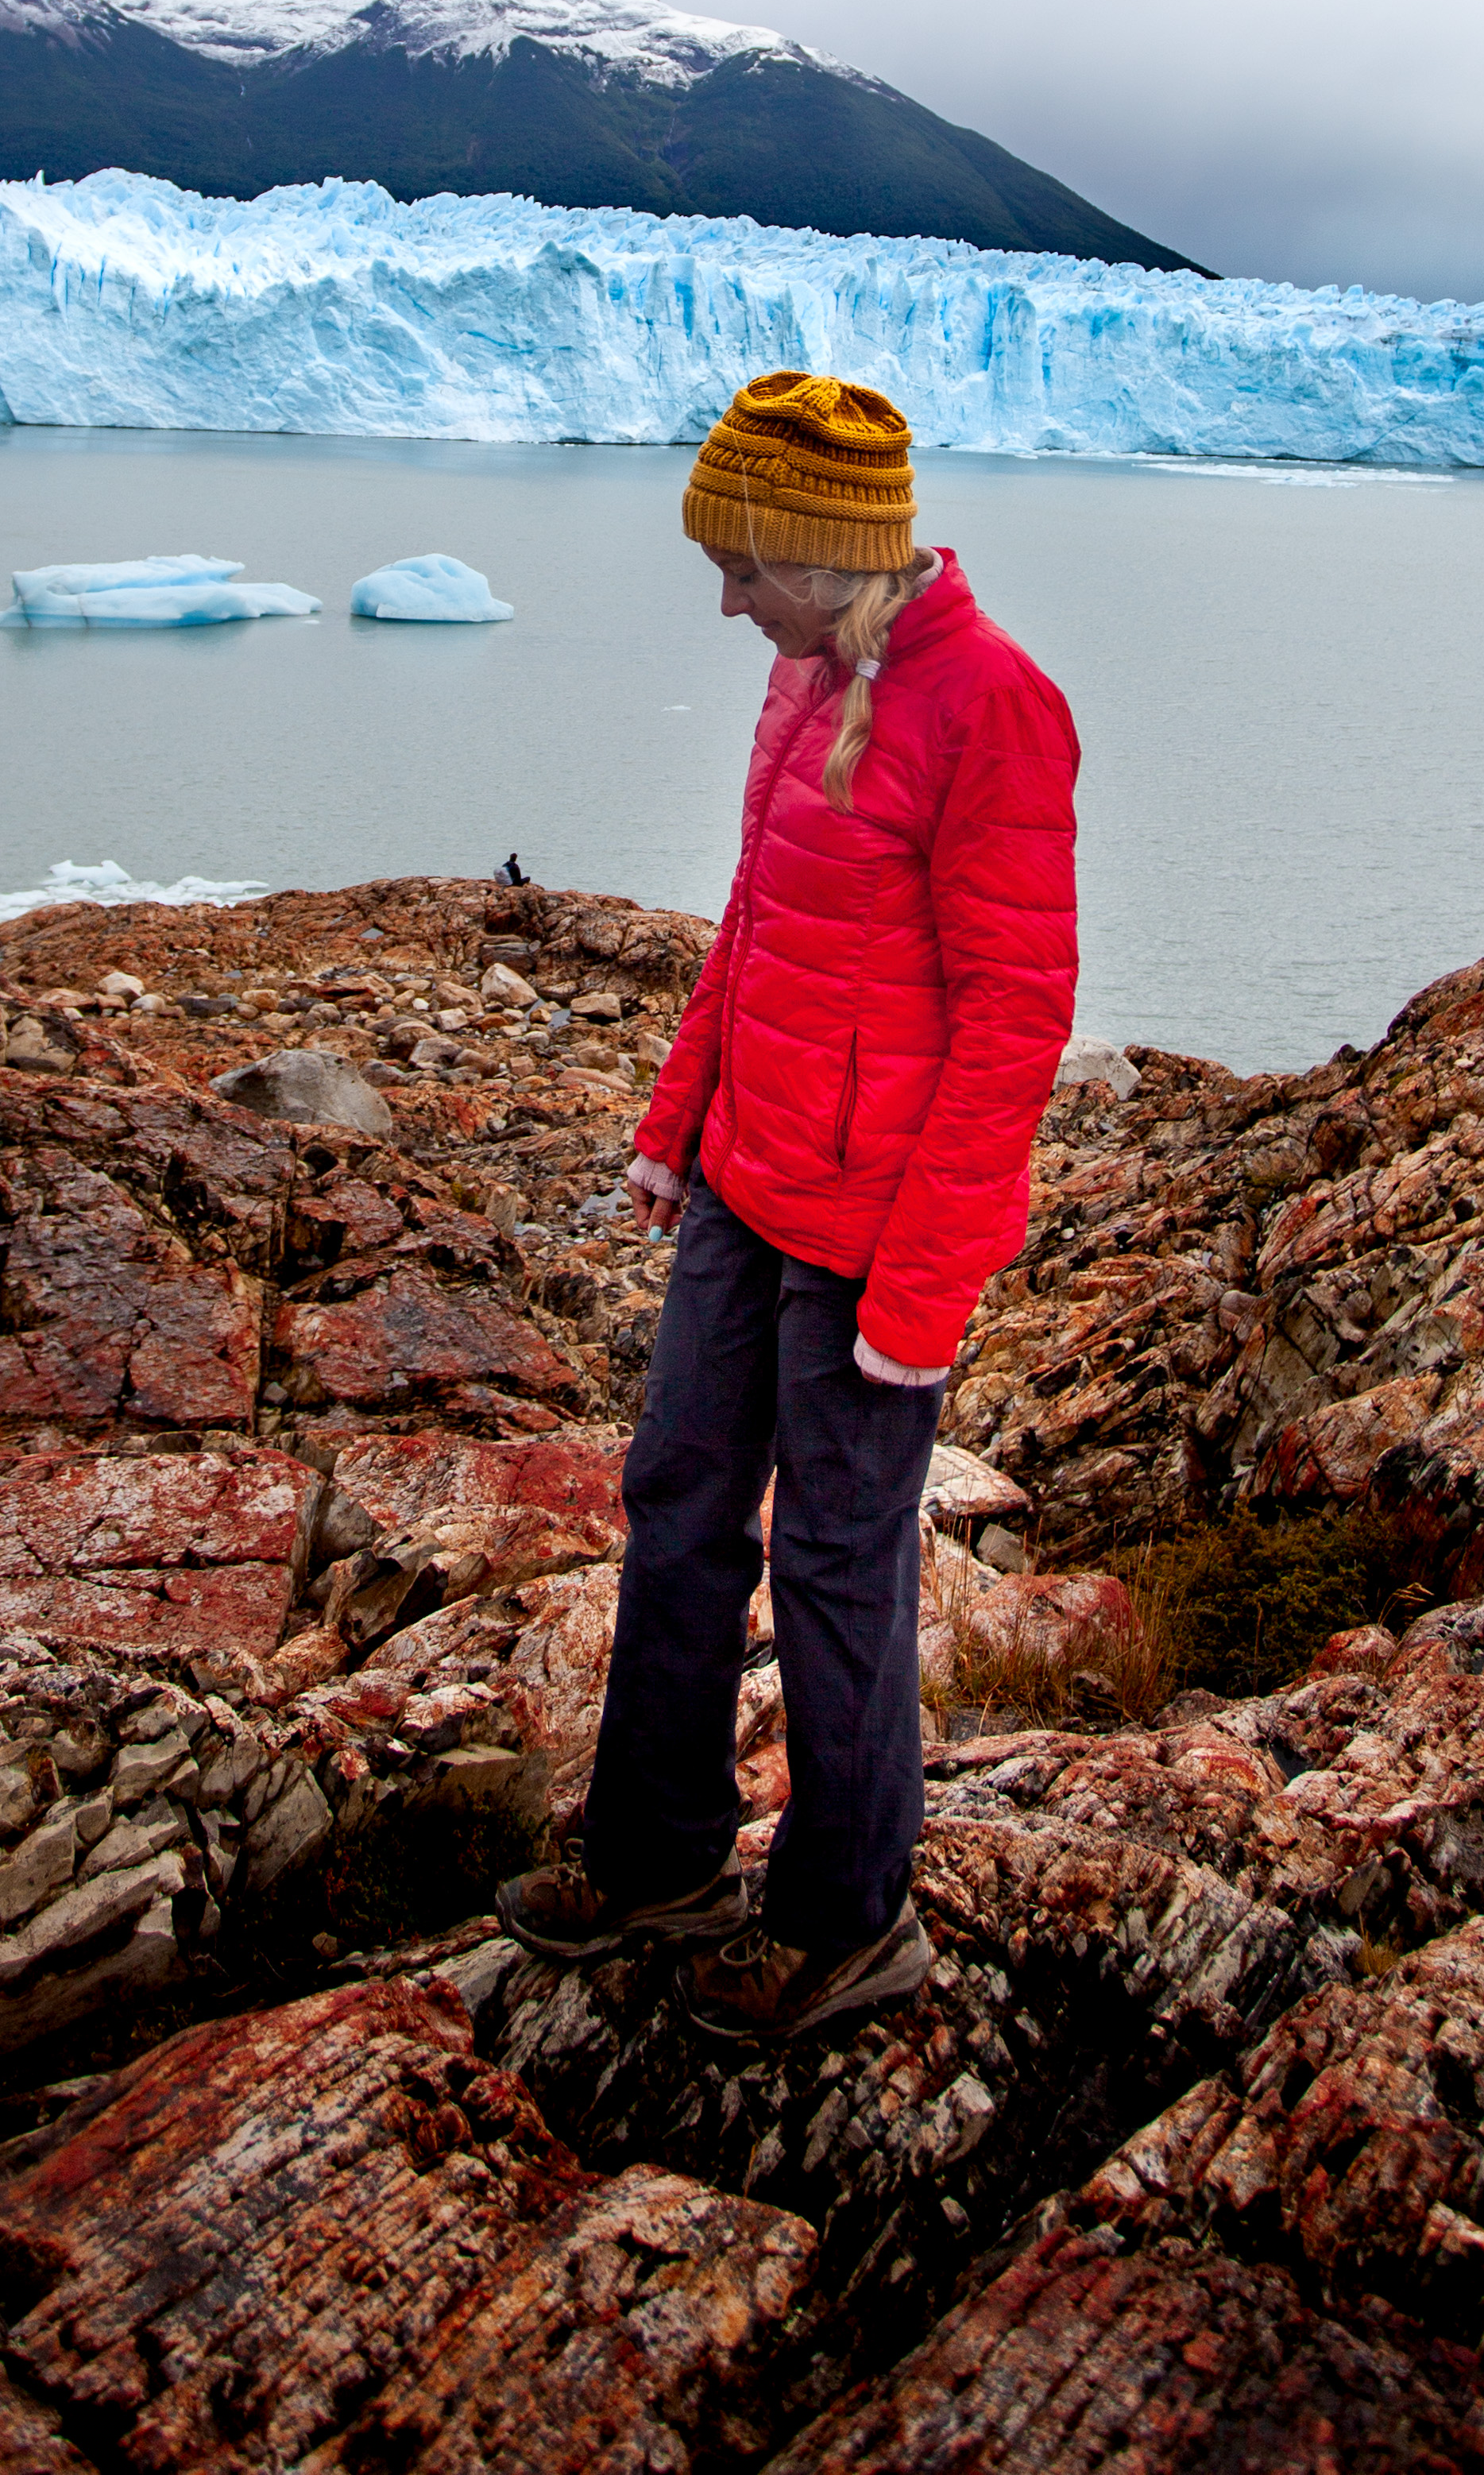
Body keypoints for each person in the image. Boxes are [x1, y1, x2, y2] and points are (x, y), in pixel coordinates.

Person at [496, 369, 1080, 2040]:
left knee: (834, 1560)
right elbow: (756, 927)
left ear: (818, 550)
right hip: (748, 1190)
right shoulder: (806, 680)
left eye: (741, 559)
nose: (724, 592)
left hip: (871, 1234)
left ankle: (843, 1912)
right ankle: (655, 1849)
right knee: (674, 1491)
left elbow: (1011, 1019)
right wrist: (675, 1125)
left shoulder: (988, 706)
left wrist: (921, 1290)